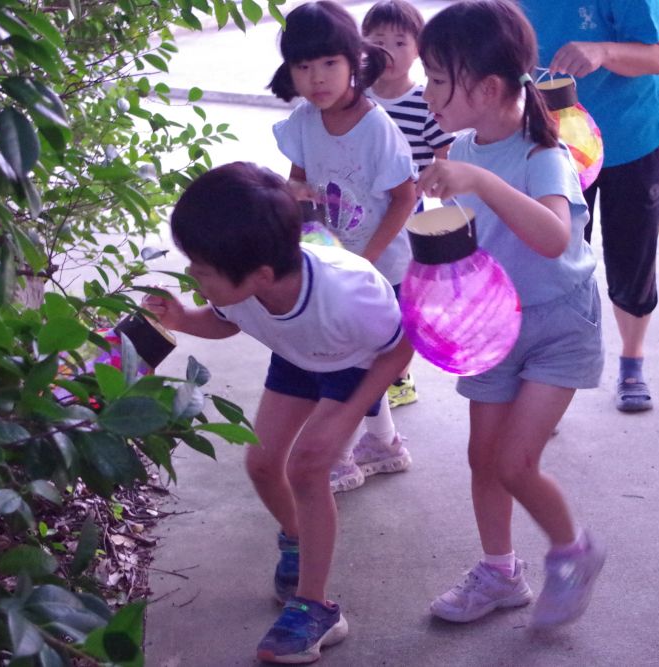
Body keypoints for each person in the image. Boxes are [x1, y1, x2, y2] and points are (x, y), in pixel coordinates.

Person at [143, 162, 413, 663]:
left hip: (355, 364)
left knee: (308, 467)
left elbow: (399, 352)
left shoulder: (349, 292)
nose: (192, 277)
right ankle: (297, 540)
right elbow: (226, 321)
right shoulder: (244, 283)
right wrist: (181, 318)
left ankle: (317, 608)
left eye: (201, 270)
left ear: (260, 274)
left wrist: (352, 414)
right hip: (296, 357)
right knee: (263, 465)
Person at [416, 0, 605, 628]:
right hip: (494, 325)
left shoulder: (540, 155)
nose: (427, 89)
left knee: (514, 462)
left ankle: (574, 550)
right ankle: (500, 572)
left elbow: (554, 238)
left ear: (489, 86)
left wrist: (477, 182)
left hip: (557, 326)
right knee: (482, 456)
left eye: (439, 78)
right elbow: (470, 237)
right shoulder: (463, 144)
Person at [270, 0, 417, 493]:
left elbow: (404, 198)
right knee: (354, 354)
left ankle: (337, 453)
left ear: (354, 60)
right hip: (331, 261)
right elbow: (296, 179)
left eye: (329, 63)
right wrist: (294, 195)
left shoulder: (377, 128)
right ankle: (384, 443)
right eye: (304, 66)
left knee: (357, 357)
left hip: (380, 267)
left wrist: (367, 260)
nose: (317, 78)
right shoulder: (305, 121)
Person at [521, 0, 659, 413]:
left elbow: (657, 56)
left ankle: (632, 362)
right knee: (554, 259)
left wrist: (602, 50)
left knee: (632, 256)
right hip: (554, 140)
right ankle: (549, 377)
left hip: (633, 136)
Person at [362, 0, 455, 410]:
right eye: (377, 41)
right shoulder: (356, 97)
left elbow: (444, 151)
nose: (389, 50)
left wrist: (437, 184)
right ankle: (367, 360)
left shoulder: (422, 101)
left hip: (404, 211)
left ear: (418, 49)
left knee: (400, 291)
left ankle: (399, 375)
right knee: (365, 289)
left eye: (401, 42)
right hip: (356, 209)